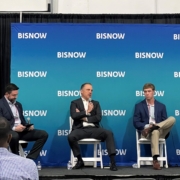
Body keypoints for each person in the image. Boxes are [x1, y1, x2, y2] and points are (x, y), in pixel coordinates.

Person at [68, 83, 117, 171]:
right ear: (81, 92)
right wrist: (87, 111)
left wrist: (84, 118)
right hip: (80, 129)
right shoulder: (75, 103)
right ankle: (79, 160)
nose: (90, 92)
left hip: (94, 129)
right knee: (71, 136)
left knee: (109, 133)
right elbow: (74, 116)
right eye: (88, 90)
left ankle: (113, 162)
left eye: (91, 90)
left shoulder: (96, 103)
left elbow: (98, 117)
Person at [0, 83, 48, 160]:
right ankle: (16, 159)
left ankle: (30, 159)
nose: (15, 97)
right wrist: (14, 128)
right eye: (13, 95)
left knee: (43, 134)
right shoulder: (1, 104)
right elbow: (1, 123)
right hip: (9, 131)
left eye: (16, 95)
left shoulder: (18, 105)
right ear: (6, 94)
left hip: (22, 131)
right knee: (14, 136)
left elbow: (22, 120)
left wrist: (27, 126)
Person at [133, 83, 175, 170]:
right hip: (146, 132)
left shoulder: (161, 106)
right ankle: (155, 160)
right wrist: (148, 126)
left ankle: (155, 126)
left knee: (172, 119)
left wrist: (156, 126)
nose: (147, 93)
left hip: (161, 131)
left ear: (153, 92)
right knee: (154, 131)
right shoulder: (139, 106)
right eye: (145, 92)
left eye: (149, 91)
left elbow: (165, 121)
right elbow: (136, 122)